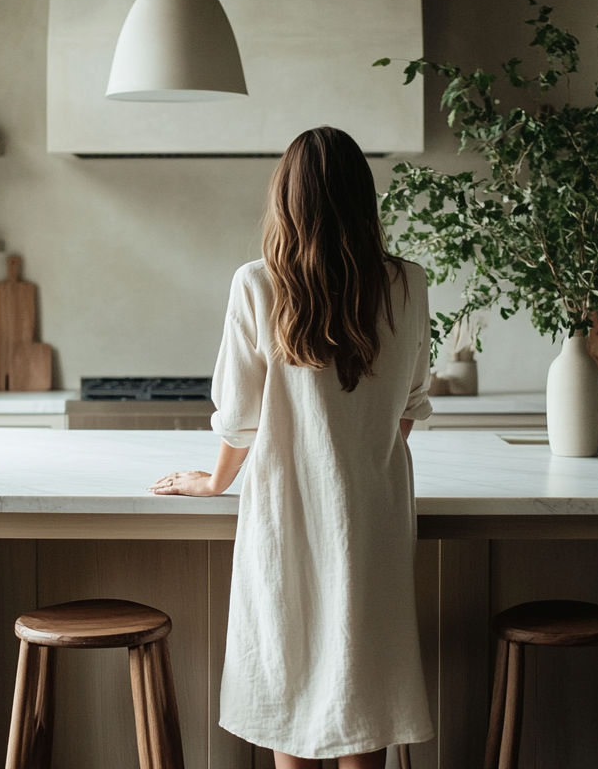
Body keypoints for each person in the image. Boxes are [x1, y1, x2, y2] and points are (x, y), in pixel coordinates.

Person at [150, 126, 434, 769]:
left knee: (291, 685)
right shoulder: (409, 283)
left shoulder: (257, 284)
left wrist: (212, 482)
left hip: (284, 516)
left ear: (286, 200)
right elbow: (407, 411)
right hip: (374, 518)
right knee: (365, 686)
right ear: (365, 199)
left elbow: (240, 420)